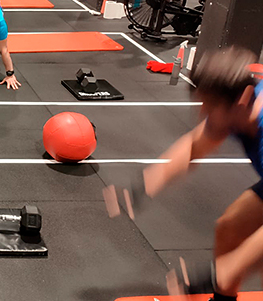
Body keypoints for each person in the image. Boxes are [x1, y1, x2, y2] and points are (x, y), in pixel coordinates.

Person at [103, 47, 263, 301]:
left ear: (241, 102)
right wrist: (142, 187)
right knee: (229, 228)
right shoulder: (239, 108)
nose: (203, 113)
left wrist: (218, 273)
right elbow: (193, 146)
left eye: (211, 106)